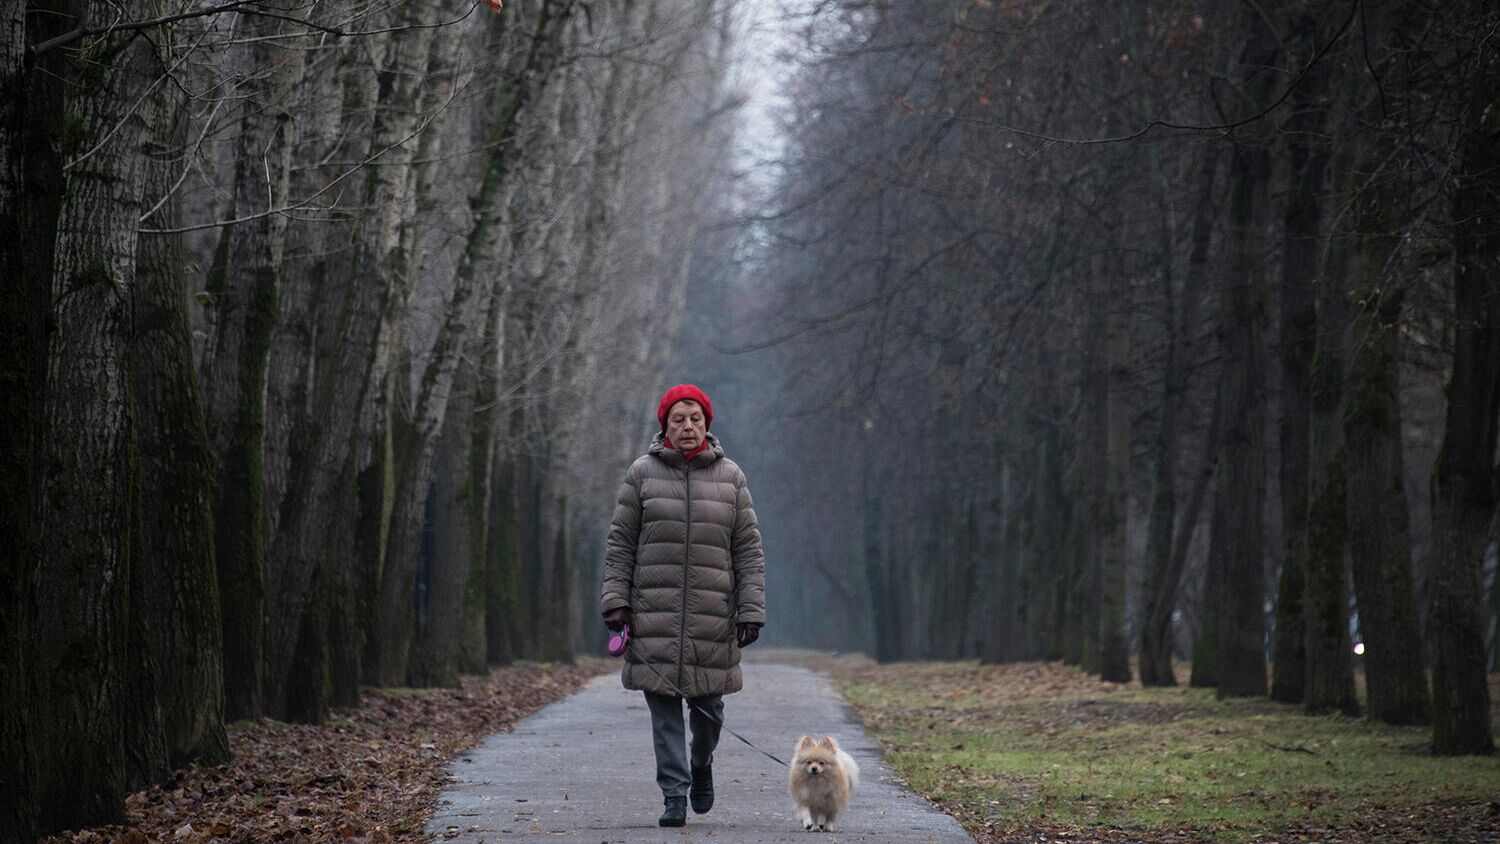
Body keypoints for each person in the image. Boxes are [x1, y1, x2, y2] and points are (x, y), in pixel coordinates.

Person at [599, 384, 766, 828]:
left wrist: (751, 610)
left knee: (709, 711)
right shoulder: (641, 474)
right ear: (665, 427)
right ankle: (674, 796)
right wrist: (616, 602)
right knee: (664, 712)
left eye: (695, 418)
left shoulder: (731, 477)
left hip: (714, 618)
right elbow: (620, 544)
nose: (688, 426)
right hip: (653, 613)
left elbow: (748, 550)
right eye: (679, 419)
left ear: (707, 425)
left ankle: (701, 763)